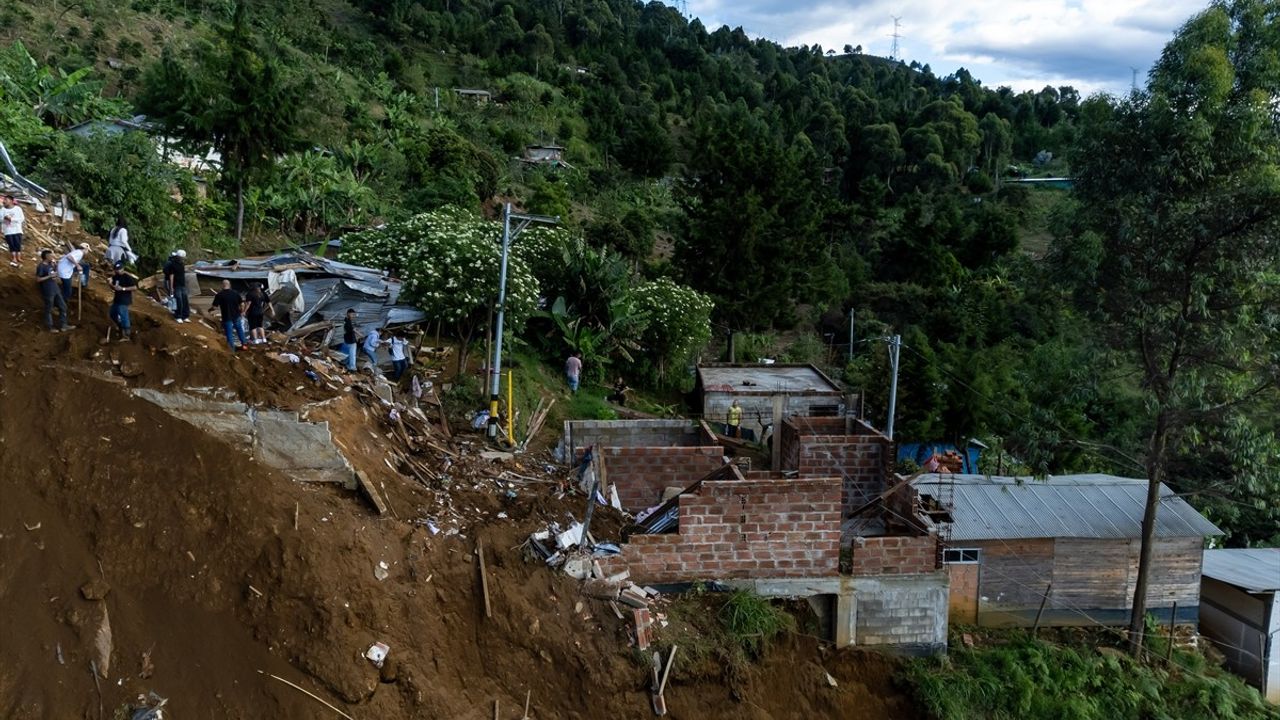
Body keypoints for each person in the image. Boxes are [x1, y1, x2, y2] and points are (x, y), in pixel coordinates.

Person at [36, 250, 71, 332]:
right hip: (48, 290)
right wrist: (49, 276)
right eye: (51, 256)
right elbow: (38, 279)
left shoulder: (50, 264)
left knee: (63, 306)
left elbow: (54, 272)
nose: (53, 257)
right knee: (49, 308)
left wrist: (55, 265)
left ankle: (63, 325)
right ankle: (50, 327)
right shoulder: (41, 266)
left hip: (55, 289)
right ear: (46, 257)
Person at [212, 279, 247, 351]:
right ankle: (244, 345)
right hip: (236, 315)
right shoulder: (235, 293)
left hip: (226, 316)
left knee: (229, 333)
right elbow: (242, 304)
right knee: (239, 330)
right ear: (229, 285)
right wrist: (242, 311)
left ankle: (232, 349)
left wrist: (210, 309)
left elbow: (215, 307)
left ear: (222, 285)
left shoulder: (219, 295)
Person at [108, 261, 136, 341]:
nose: (117, 271)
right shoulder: (115, 277)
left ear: (123, 268)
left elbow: (134, 288)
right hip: (117, 299)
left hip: (124, 300)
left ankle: (126, 335)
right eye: (116, 269)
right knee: (112, 313)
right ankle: (121, 327)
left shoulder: (127, 277)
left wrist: (123, 288)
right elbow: (114, 288)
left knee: (124, 315)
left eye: (119, 269)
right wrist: (110, 283)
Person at [163, 249, 190, 322]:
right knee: (179, 300)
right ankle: (178, 316)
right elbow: (171, 276)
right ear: (180, 257)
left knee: (185, 300)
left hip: (182, 284)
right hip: (176, 285)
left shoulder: (181, 264)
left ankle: (185, 316)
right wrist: (171, 287)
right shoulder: (172, 264)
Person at [2, 195, 25, 267]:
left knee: (18, 244)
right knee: (11, 244)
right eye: (4, 200)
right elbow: (0, 220)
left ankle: (19, 257)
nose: (4, 201)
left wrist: (11, 219)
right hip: (8, 230)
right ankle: (14, 258)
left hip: (17, 230)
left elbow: (22, 219)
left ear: (11, 201)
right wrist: (5, 218)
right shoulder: (2, 210)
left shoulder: (18, 209)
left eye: (6, 200)